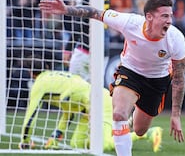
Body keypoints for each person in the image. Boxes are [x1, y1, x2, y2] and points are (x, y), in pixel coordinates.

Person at [39, 0, 185, 156]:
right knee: (118, 114)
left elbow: (179, 79)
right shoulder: (130, 22)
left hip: (157, 80)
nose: (169, 21)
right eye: (165, 16)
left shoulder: (176, 39)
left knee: (139, 130)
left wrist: (175, 115)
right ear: (149, 17)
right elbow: (95, 13)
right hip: (131, 72)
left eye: (170, 16)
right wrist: (67, 9)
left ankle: (132, 117)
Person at [18, 57, 163, 152]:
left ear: (31, 73)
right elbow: (69, 111)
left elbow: (31, 116)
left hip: (100, 103)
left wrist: (24, 142)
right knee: (77, 145)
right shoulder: (57, 78)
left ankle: (148, 133)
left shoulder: (40, 85)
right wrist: (55, 138)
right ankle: (120, 128)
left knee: (104, 145)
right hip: (87, 108)